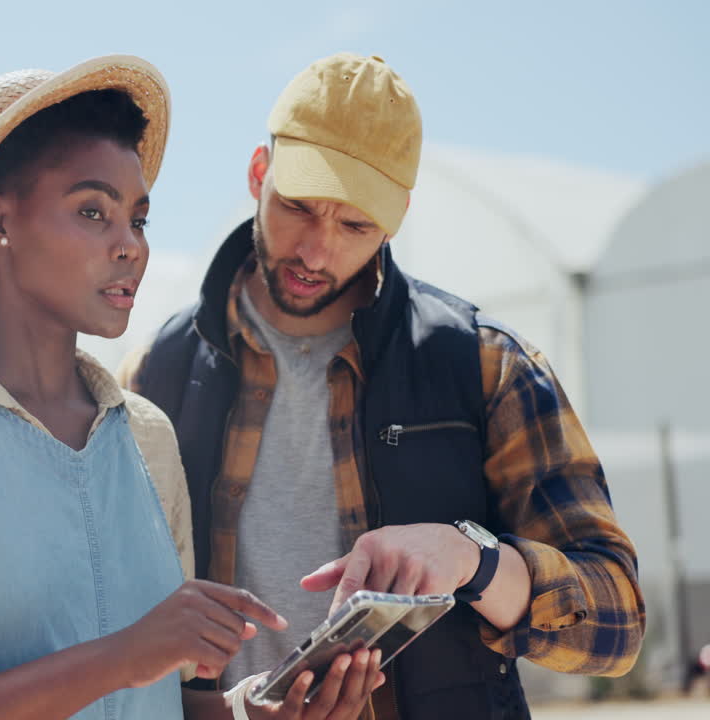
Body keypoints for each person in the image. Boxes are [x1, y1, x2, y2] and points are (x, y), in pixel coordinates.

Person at [0, 55, 382, 720]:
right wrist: (120, 658)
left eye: (139, 217)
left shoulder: (148, 440)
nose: (130, 244)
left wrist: (269, 711)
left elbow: (178, 702)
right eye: (93, 211)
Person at [120, 52, 646, 719]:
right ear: (259, 173)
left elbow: (617, 624)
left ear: (397, 217)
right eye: (298, 207)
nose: (316, 251)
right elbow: (117, 627)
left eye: (354, 225)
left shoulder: (486, 366)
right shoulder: (153, 378)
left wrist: (471, 559)